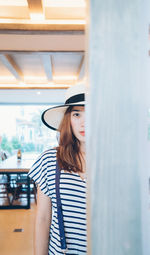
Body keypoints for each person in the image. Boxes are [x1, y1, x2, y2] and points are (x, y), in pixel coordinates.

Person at [28, 84, 87, 255]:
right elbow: (43, 218)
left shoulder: (114, 164)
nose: (84, 122)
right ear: (68, 119)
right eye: (77, 114)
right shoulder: (49, 160)